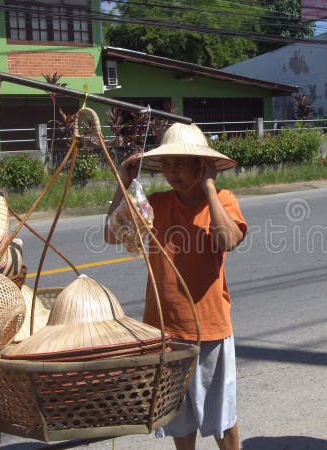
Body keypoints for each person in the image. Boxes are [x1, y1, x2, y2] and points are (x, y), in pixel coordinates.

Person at [105, 122, 246, 450]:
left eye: (181, 162)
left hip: (209, 328)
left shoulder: (223, 199)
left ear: (202, 165)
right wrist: (125, 181)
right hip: (164, 330)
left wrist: (210, 189)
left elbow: (228, 240)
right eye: (167, 164)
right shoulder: (155, 204)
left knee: (220, 417)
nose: (172, 171)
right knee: (179, 418)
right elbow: (113, 233)